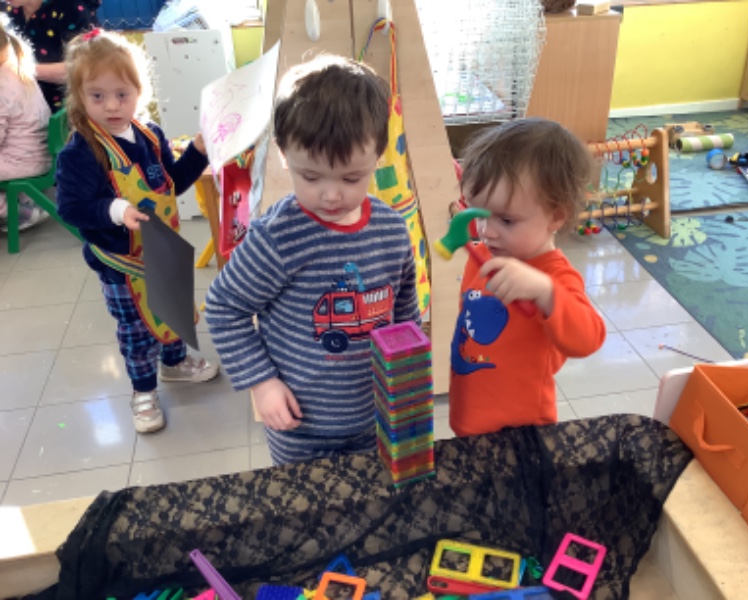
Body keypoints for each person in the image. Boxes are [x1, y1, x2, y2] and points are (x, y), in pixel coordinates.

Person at [205, 54, 420, 466]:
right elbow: (224, 308)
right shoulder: (277, 237)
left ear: (378, 155)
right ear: (284, 154)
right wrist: (262, 383)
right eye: (311, 176)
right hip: (298, 428)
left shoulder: (392, 229)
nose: (332, 195)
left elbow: (405, 312)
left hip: (375, 416)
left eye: (351, 178)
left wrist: (408, 379)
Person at [56, 29, 218, 434]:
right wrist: (116, 209)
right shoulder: (80, 152)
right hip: (122, 264)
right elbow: (71, 208)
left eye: (121, 94)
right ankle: (143, 391)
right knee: (137, 330)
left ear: (139, 91)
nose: (111, 105)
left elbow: (172, 184)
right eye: (97, 95)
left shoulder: (151, 135)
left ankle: (175, 363)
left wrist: (198, 151)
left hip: (163, 248)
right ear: (79, 96)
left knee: (173, 310)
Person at [448, 118, 606, 437]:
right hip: (470, 415)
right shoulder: (482, 255)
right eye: (479, 213)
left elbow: (589, 339)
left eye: (506, 220)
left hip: (521, 430)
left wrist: (546, 293)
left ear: (556, 216)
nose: (487, 232)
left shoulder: (554, 276)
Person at [1, 0, 100, 112]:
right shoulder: (6, 9)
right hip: (18, 103)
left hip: (65, 108)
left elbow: (85, 68)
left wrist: (20, 70)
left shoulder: (71, 8)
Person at [0, 15, 50, 231]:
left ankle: (18, 212)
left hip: (22, 163)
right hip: (40, 154)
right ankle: (24, 199)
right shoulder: (18, 71)